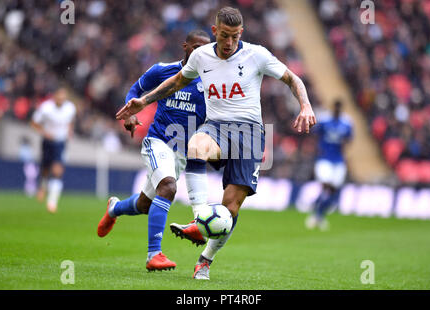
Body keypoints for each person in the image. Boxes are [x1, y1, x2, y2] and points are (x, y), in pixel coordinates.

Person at [116, 7, 316, 280]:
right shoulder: (201, 56)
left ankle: (205, 260)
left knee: (230, 208)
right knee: (196, 145)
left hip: (250, 134)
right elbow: (176, 81)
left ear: (241, 33)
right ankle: (200, 219)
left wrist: (304, 105)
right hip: (217, 127)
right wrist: (144, 101)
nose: (229, 42)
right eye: (224, 35)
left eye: (234, 36)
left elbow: (293, 79)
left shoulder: (256, 54)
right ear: (215, 31)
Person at [97, 30, 211, 272]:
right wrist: (131, 114)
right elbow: (135, 90)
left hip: (182, 153)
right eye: (197, 47)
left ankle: (114, 208)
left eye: (206, 48)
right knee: (168, 187)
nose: (201, 52)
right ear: (185, 47)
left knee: (144, 204)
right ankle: (154, 254)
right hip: (157, 142)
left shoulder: (210, 81)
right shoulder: (162, 71)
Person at [305, 100, 353, 231]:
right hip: (324, 159)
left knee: (333, 190)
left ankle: (317, 210)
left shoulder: (347, 123)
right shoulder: (324, 120)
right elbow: (315, 133)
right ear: (333, 108)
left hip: (338, 160)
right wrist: (317, 149)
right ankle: (318, 213)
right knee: (326, 185)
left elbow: (349, 139)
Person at [31, 87, 76, 213]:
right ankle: (43, 185)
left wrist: (69, 131)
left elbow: (71, 121)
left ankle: (52, 202)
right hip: (47, 141)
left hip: (60, 142)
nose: (61, 99)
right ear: (54, 97)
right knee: (45, 168)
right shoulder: (46, 108)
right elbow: (34, 123)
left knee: (57, 170)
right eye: (59, 97)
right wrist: (44, 133)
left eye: (63, 97)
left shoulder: (70, 108)